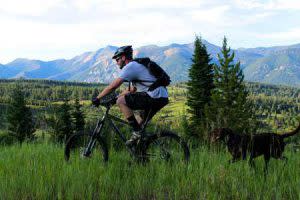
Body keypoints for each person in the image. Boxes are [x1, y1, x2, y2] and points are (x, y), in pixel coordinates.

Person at [93, 45, 169, 146]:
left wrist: (97, 98)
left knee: (121, 102)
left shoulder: (130, 66)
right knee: (138, 122)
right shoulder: (136, 66)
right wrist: (114, 98)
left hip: (154, 96)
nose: (116, 62)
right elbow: (132, 90)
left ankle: (137, 132)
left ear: (124, 57)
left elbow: (113, 86)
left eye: (117, 59)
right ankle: (140, 154)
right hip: (161, 97)